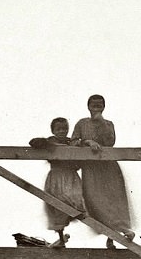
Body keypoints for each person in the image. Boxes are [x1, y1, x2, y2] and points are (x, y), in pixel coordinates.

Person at [71, 94, 134, 248]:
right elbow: (73, 141)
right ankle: (110, 234)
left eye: (100, 104)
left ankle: (116, 235)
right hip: (91, 168)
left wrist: (101, 122)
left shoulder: (108, 123)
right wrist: (87, 141)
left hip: (108, 167)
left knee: (113, 200)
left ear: (104, 106)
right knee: (94, 199)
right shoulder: (81, 123)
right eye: (94, 104)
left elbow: (110, 142)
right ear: (88, 106)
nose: (97, 106)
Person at [29, 117, 85, 247]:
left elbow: (79, 162)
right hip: (56, 175)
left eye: (64, 128)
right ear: (53, 130)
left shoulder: (72, 142)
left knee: (75, 198)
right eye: (58, 129)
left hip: (70, 175)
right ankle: (60, 238)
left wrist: (75, 148)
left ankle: (75, 214)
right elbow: (33, 142)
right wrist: (48, 145)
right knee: (56, 206)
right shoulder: (51, 141)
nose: (62, 131)